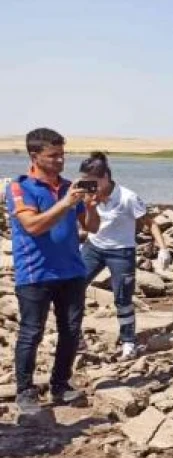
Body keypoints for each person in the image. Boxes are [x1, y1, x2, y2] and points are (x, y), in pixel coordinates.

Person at [5, 128, 100, 415]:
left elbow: (91, 228)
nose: (60, 160)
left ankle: (61, 383)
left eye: (63, 154)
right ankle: (25, 390)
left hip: (71, 271)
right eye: (53, 156)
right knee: (31, 332)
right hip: (36, 273)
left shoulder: (70, 186)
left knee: (70, 331)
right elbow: (33, 226)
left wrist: (91, 208)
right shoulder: (20, 188)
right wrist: (66, 203)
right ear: (35, 156)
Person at [78, 152, 170, 360]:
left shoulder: (128, 197)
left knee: (123, 297)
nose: (89, 186)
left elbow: (150, 223)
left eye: (92, 182)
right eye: (85, 182)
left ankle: (129, 342)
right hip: (93, 247)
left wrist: (163, 248)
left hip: (121, 251)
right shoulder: (87, 194)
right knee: (73, 287)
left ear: (105, 178)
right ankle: (75, 335)